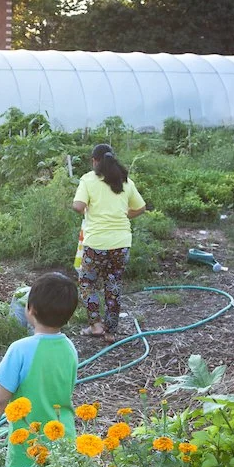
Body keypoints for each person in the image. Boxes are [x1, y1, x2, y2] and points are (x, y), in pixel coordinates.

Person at [0, 272, 79, 467]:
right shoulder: (69, 348)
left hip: (28, 442)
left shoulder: (20, 349)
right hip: (64, 436)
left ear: (31, 310)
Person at [72, 144, 146, 344]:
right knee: (113, 284)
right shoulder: (124, 181)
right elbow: (140, 207)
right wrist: (125, 214)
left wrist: (86, 209)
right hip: (121, 242)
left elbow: (78, 206)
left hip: (96, 242)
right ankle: (111, 332)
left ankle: (95, 325)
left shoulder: (88, 179)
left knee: (87, 283)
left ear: (94, 161)